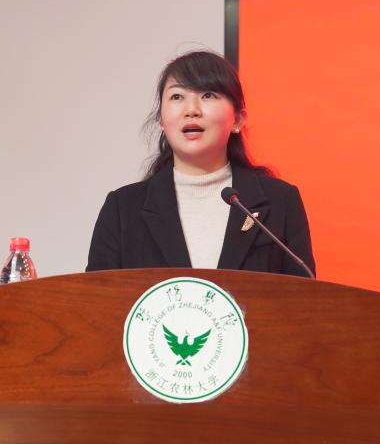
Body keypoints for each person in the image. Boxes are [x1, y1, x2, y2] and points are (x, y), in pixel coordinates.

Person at [86, 50, 315, 277]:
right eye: (177, 97)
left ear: (237, 119)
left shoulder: (281, 202)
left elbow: (303, 296)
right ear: (162, 121)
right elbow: (98, 297)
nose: (191, 110)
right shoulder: (122, 209)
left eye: (208, 95)